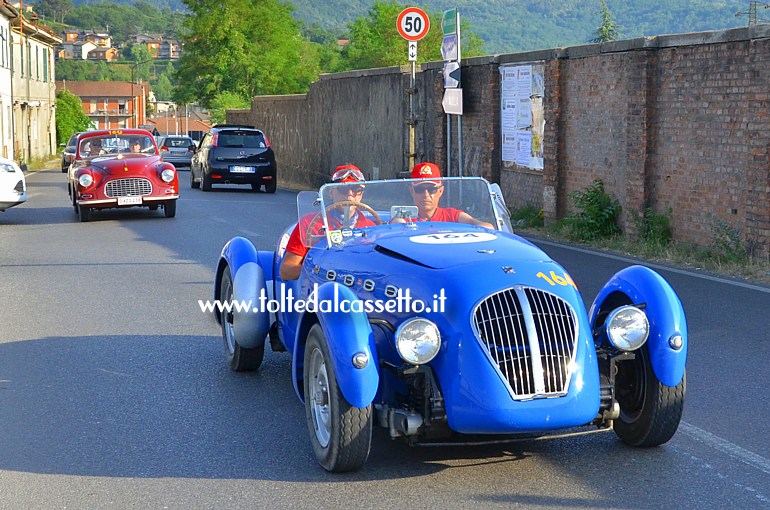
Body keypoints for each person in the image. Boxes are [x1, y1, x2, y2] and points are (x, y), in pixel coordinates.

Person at [279, 164, 376, 280]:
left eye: (356, 190)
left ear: (361, 195)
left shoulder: (371, 228)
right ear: (331, 192)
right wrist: (321, 272)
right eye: (343, 189)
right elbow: (286, 270)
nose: (350, 194)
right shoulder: (310, 223)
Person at [397, 162, 495, 228]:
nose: (426, 194)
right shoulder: (405, 216)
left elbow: (485, 226)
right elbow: (395, 226)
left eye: (432, 189)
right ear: (412, 191)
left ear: (440, 191)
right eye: (420, 189)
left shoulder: (452, 216)